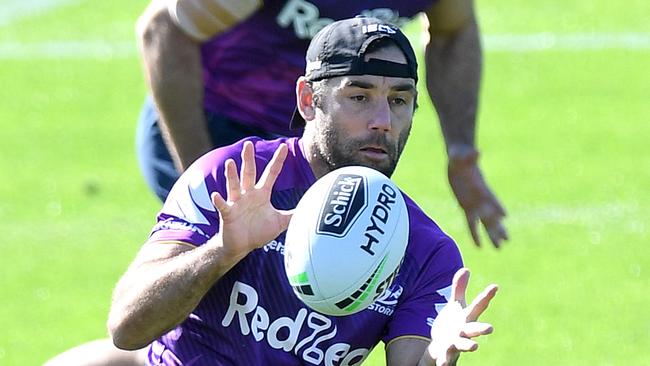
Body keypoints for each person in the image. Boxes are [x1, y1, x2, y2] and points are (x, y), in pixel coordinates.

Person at [108, 17, 498, 365]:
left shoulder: (425, 252)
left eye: (399, 101)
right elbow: (127, 328)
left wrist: (435, 355)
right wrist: (221, 252)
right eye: (359, 97)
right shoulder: (232, 178)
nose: (382, 121)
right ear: (308, 101)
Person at [136, 0, 508, 248]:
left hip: (324, 147)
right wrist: (205, 179)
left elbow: (453, 31)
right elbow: (163, 31)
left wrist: (462, 154)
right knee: (233, 310)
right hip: (220, 131)